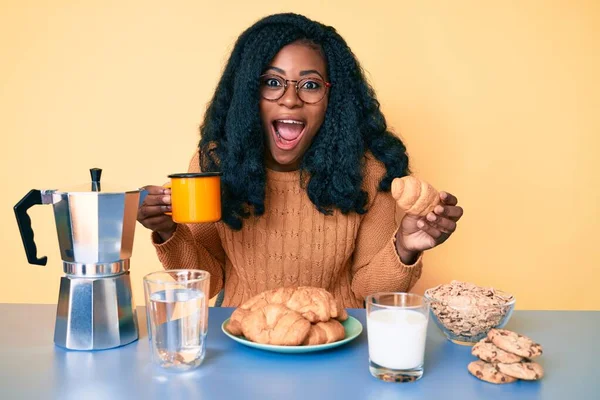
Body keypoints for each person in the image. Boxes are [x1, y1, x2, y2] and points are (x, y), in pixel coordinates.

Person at [137, 13, 464, 308]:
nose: (291, 99)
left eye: (310, 85)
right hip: (242, 339)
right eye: (272, 82)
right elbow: (207, 283)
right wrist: (168, 231)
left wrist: (405, 246)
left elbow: (369, 291)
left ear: (331, 98)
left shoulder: (368, 170)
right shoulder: (214, 164)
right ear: (249, 92)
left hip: (337, 337)